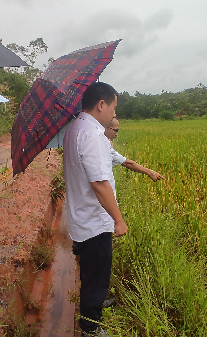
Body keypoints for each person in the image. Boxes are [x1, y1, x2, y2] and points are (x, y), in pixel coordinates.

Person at [63, 82, 127, 337]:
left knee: (91, 271)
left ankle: (95, 304)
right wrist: (118, 220)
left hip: (81, 216)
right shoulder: (92, 135)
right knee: (96, 276)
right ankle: (90, 327)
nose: (113, 113)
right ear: (101, 104)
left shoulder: (74, 128)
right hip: (94, 221)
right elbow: (100, 184)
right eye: (113, 106)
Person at [105, 117, 165, 182]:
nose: (116, 134)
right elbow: (127, 163)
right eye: (115, 130)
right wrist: (150, 172)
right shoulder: (103, 146)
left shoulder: (104, 143)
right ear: (105, 127)